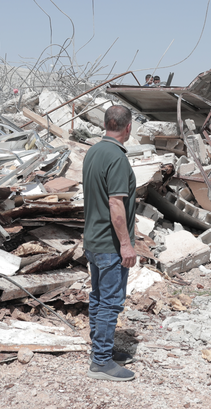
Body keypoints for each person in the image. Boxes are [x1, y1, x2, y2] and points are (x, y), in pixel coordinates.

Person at [83, 105, 138, 381]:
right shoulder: (117, 158)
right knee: (110, 302)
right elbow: (116, 205)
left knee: (98, 298)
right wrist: (126, 245)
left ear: (106, 124)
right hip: (109, 245)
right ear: (128, 127)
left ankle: (100, 349)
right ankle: (101, 361)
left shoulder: (93, 152)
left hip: (93, 240)